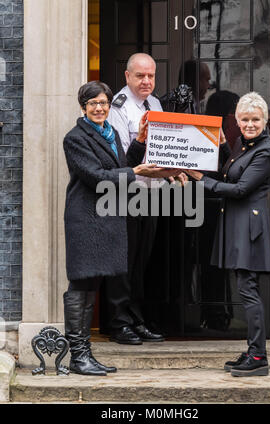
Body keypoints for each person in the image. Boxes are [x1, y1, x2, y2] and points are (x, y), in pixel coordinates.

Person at [63, 80, 181, 375]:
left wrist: (140, 143)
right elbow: (96, 176)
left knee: (93, 286)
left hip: (108, 218)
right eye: (93, 104)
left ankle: (85, 355)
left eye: (103, 103)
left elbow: (121, 164)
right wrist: (136, 171)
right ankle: (78, 356)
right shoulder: (75, 138)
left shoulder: (112, 132)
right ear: (83, 108)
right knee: (82, 285)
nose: (100, 108)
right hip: (85, 219)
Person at [184, 92, 270, 377]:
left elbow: (239, 189)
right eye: (245, 119)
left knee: (248, 291)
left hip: (248, 228)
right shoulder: (242, 145)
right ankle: (252, 350)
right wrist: (225, 148)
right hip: (236, 224)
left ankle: (259, 356)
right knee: (245, 288)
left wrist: (200, 180)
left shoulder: (265, 151)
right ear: (237, 120)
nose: (250, 124)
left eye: (255, 119)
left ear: (265, 120)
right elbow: (231, 175)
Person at [108, 53, 186, 344]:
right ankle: (118, 323)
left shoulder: (155, 104)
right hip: (126, 194)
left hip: (152, 194)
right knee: (124, 261)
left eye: (151, 75)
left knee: (142, 262)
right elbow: (121, 158)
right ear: (127, 76)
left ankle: (136, 319)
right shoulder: (118, 107)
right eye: (140, 76)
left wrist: (171, 172)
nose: (147, 81)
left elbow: (161, 150)